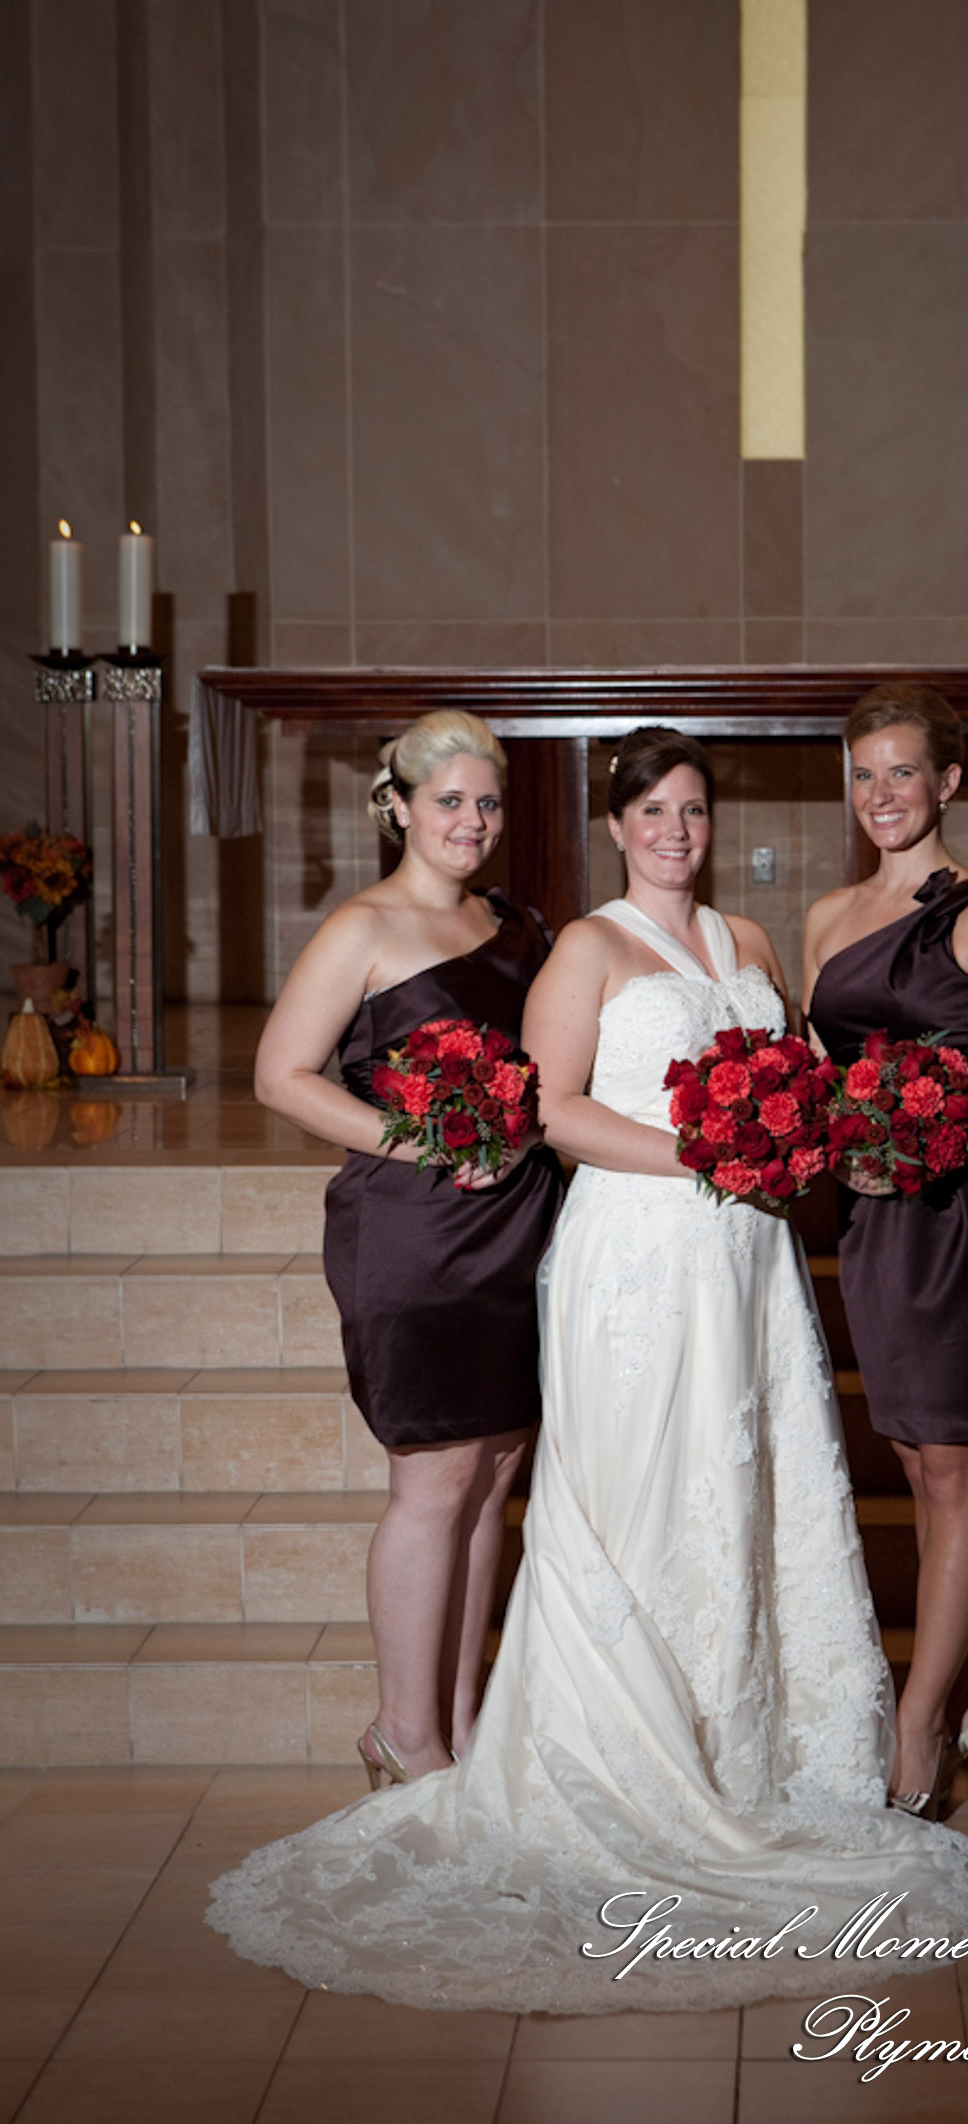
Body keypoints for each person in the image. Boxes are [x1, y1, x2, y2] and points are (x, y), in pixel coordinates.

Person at [207, 725, 968, 2015]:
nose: (675, 831)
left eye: (694, 810)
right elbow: (552, 1105)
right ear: (617, 828)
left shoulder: (737, 941)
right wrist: (705, 1150)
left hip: (744, 1260)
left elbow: (800, 1076)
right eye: (652, 813)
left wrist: (813, 1128)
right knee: (572, 1491)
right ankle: (466, 1737)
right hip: (630, 1251)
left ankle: (707, 1734)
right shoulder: (574, 944)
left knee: (717, 1486)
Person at [252, 709, 563, 1784]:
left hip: (519, 1224)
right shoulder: (363, 927)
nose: (472, 821)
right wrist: (423, 1140)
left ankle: (460, 1721)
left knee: (494, 1475)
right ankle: (402, 1730)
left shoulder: (517, 924)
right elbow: (280, 1076)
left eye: (488, 803)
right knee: (434, 1481)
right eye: (449, 801)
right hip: (415, 1232)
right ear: (397, 806)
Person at [805, 684, 968, 1819]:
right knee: (917, 1462)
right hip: (872, 1226)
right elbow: (820, 1074)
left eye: (903, 772)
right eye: (864, 773)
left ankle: (919, 1727)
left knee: (955, 1466)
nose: (881, 794)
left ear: (949, 782)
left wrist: (945, 1139)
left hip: (962, 1222)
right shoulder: (829, 916)